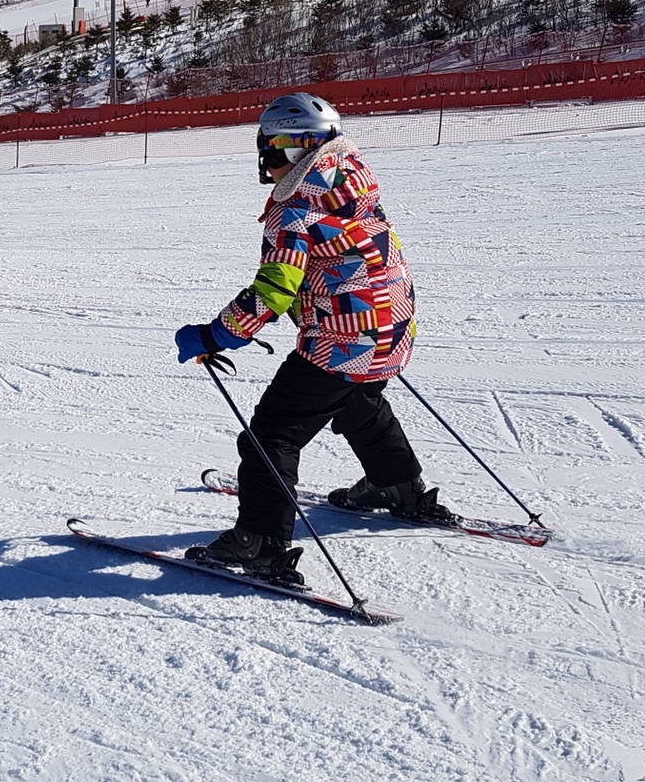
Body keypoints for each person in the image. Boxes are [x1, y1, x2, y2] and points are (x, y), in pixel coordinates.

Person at [174, 93, 452, 582]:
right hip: (395, 327)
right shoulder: (354, 183)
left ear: (289, 147)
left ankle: (260, 541)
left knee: (272, 432)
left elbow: (273, 291)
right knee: (359, 400)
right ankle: (398, 486)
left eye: (270, 146)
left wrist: (215, 334)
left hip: (345, 338)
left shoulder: (295, 205)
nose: (265, 157)